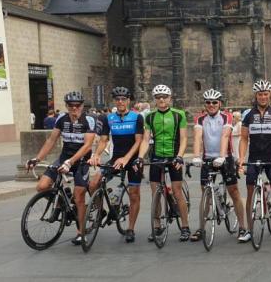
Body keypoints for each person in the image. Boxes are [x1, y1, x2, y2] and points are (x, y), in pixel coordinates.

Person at [25, 91, 98, 245]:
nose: (74, 108)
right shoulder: (61, 119)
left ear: (82, 106)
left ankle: (81, 232)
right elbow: (51, 140)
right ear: (66, 106)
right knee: (42, 186)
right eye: (71, 106)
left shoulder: (89, 120)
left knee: (79, 197)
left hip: (81, 161)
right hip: (64, 158)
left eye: (77, 105)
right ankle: (62, 202)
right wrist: (37, 159)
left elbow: (87, 146)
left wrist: (71, 162)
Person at [133, 84, 191, 242]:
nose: (162, 100)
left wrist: (180, 156)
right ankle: (157, 226)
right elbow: (145, 139)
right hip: (157, 157)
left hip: (174, 157)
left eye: (164, 97)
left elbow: (184, 138)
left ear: (170, 98)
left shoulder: (179, 115)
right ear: (155, 100)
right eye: (158, 97)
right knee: (155, 194)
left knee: (177, 192)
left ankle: (185, 226)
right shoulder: (150, 117)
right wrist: (140, 157)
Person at [189, 89, 246, 243]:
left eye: (215, 102)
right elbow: (197, 137)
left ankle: (242, 227)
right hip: (207, 158)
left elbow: (225, 135)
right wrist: (195, 156)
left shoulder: (226, 116)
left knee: (234, 191)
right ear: (205, 104)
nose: (211, 105)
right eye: (208, 102)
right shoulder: (200, 119)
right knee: (205, 194)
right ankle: (201, 228)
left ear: (220, 103)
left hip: (225, 157)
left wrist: (221, 156)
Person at [88, 86, 144, 243]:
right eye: (117, 99)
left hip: (131, 158)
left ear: (128, 101)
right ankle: (101, 211)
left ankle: (131, 228)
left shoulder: (137, 117)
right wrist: (96, 155)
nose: (120, 102)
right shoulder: (108, 118)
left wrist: (126, 158)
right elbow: (104, 140)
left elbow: (139, 141)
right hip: (116, 158)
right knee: (94, 183)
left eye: (123, 99)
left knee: (134, 193)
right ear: (114, 101)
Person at [238, 80, 271, 242]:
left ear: (270, 95)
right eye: (260, 94)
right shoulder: (247, 114)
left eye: (265, 94)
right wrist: (241, 158)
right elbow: (244, 139)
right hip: (254, 158)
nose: (262, 97)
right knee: (249, 194)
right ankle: (248, 230)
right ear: (256, 95)